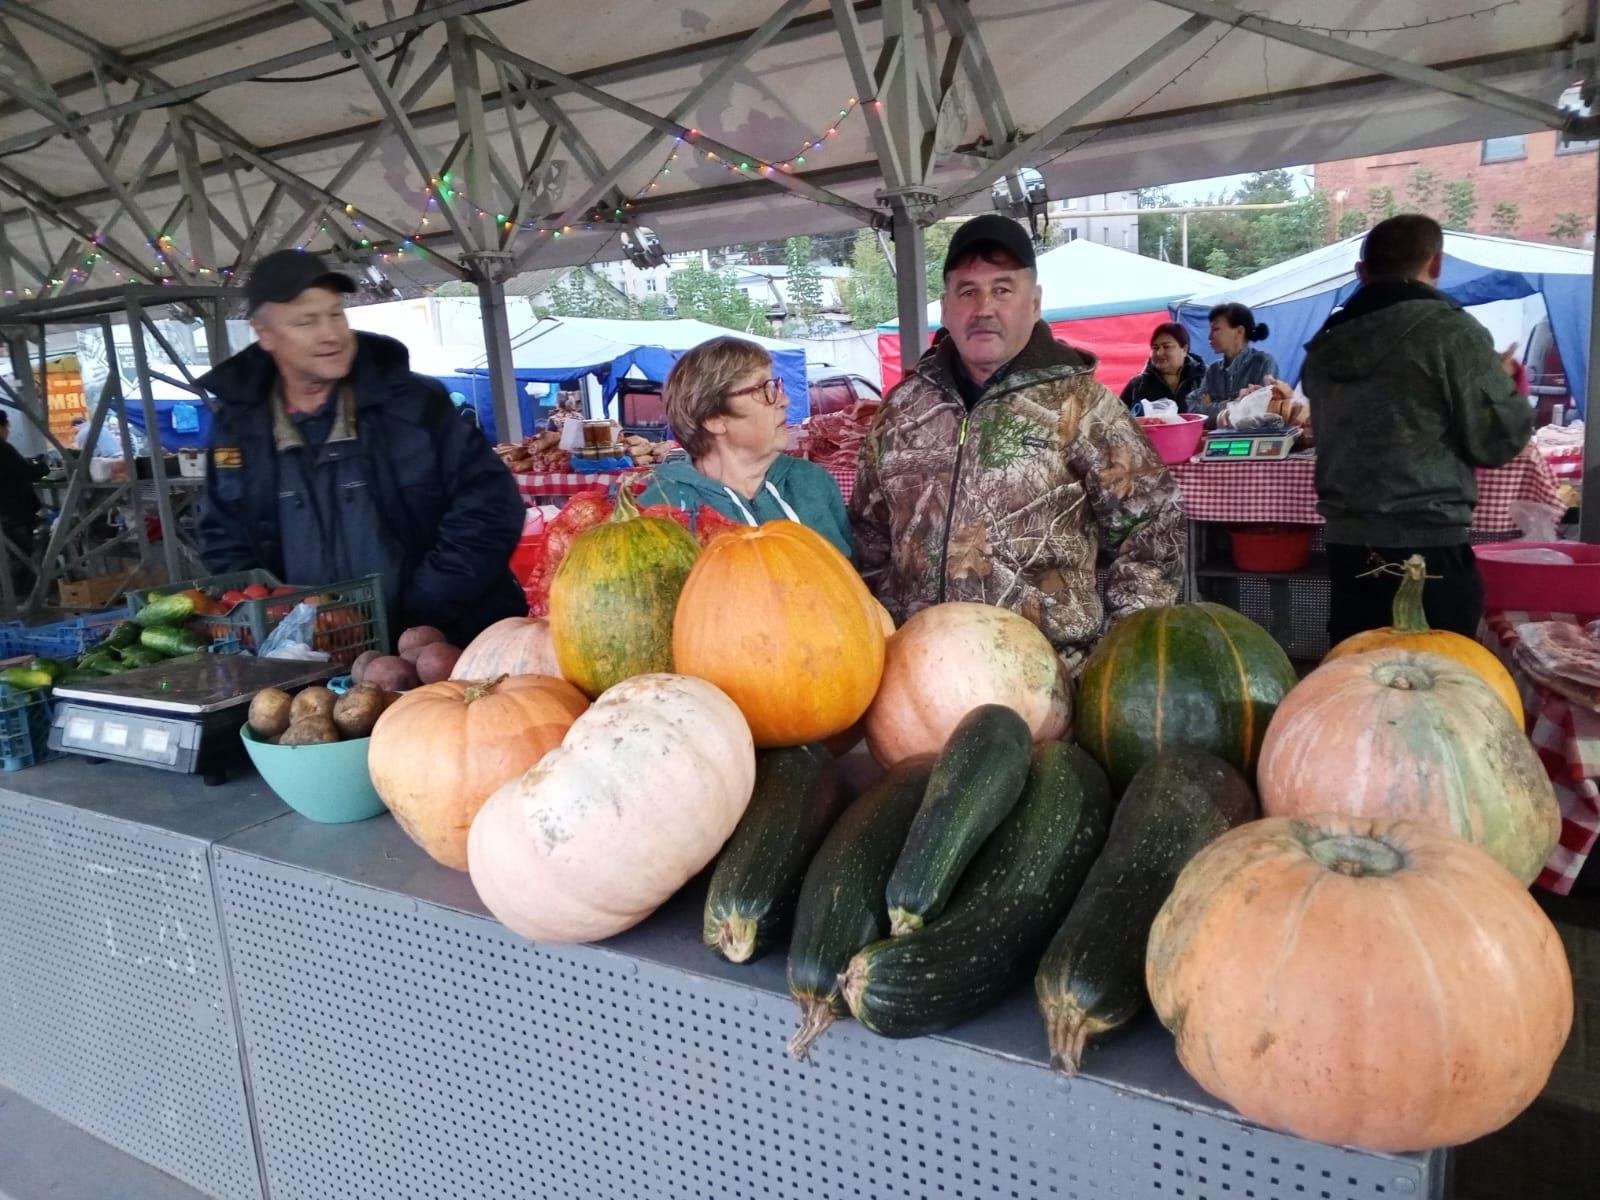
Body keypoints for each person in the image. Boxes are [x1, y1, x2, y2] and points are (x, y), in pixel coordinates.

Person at [851, 214, 1185, 677]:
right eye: (968, 291)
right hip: (918, 675)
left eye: (1003, 289)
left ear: (1034, 302)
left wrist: (1116, 659)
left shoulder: (1083, 406)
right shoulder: (902, 410)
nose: (984, 307)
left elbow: (1153, 530)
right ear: (946, 308)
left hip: (1046, 679)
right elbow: (867, 537)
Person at [198, 249, 526, 647]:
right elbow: (223, 538)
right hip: (306, 658)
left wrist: (421, 611)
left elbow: (490, 507)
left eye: (336, 314)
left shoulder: (414, 403)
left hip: (445, 642)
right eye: (306, 321)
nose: (331, 334)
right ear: (264, 334)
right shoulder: (237, 427)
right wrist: (278, 625)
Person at [1300, 213, 1532, 644]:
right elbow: (1498, 440)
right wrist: (1501, 384)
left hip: (1349, 547)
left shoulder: (1327, 341)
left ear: (1362, 272)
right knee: (1437, 682)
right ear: (1437, 263)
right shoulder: (1451, 333)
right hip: (1429, 545)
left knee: (1359, 674)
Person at [634, 336, 853, 560]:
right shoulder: (662, 509)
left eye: (775, 386)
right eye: (763, 389)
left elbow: (853, 580)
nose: (784, 400)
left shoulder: (812, 483)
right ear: (714, 418)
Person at [1189, 302, 1279, 424]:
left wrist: (1211, 406)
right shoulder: (1213, 370)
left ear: (1239, 331)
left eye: (1216, 329)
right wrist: (1237, 404)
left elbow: (1259, 410)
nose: (1209, 336)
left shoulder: (1263, 362)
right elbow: (1192, 407)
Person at [0, 410, 46, 597]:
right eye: (7, 426)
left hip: (5, 512)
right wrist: (43, 466)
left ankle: (14, 596)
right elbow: (28, 472)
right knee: (21, 555)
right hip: (15, 511)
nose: (8, 430)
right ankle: (24, 597)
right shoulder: (3, 448)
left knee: (13, 554)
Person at [1119, 322, 1204, 413]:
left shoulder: (1205, 378)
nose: (1159, 353)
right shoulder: (1137, 384)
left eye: (1166, 347)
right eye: (1155, 348)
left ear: (1184, 349)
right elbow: (1116, 418)